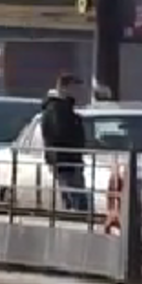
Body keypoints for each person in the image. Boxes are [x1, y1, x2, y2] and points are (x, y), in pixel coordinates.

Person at [40, 72, 89, 211]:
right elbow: (58, 133)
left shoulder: (61, 107)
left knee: (71, 193)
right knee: (75, 194)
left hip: (68, 158)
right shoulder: (56, 109)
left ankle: (72, 213)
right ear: (65, 87)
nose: (77, 92)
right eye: (74, 87)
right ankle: (76, 215)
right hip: (65, 158)